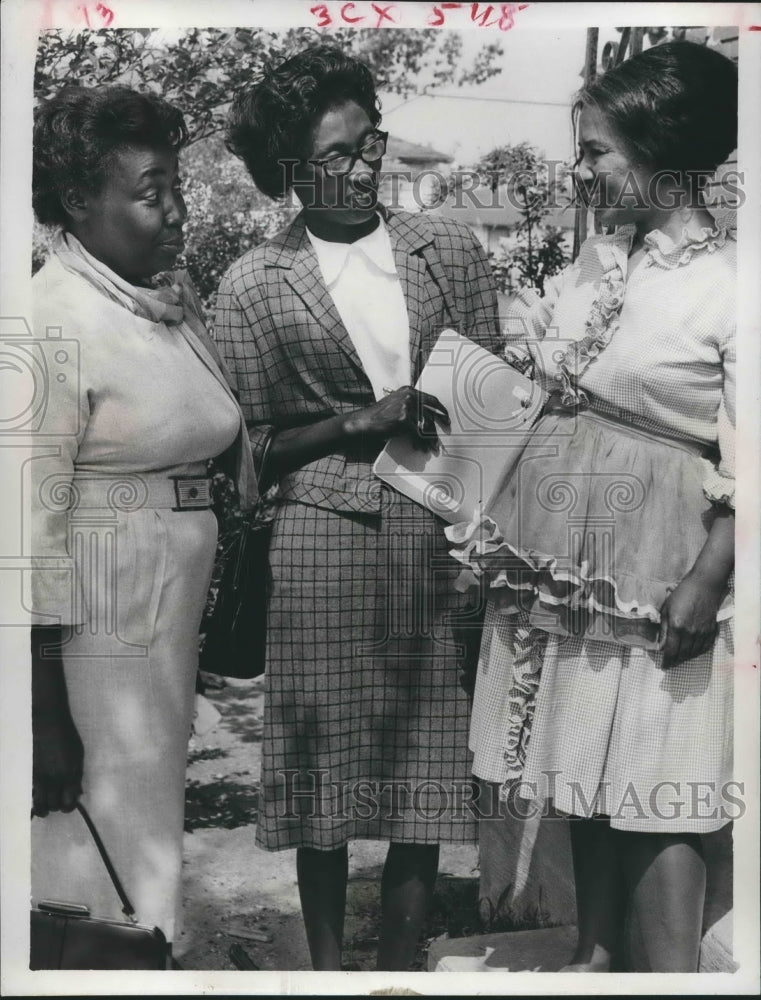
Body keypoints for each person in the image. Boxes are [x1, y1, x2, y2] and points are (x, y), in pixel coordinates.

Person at [446, 41, 737, 972]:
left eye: (599, 152)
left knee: (659, 782)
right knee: (589, 770)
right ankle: (598, 959)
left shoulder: (730, 286)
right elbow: (555, 378)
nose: (584, 171)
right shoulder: (600, 265)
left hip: (660, 569)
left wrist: (708, 574)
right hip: (566, 555)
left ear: (661, 153)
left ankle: (669, 978)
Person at [216, 45, 501, 971]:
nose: (362, 166)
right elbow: (250, 453)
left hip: (437, 531)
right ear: (286, 175)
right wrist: (358, 420)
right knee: (321, 773)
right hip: (319, 537)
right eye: (334, 156)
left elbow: (489, 402)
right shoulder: (255, 283)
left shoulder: (449, 250)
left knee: (423, 766)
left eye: (368, 142)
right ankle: (330, 976)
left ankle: (401, 971)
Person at [30, 85, 257, 965]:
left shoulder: (147, 303)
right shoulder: (49, 318)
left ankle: (134, 960)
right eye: (150, 191)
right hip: (90, 631)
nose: (176, 212)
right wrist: (43, 713)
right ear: (79, 201)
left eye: (178, 187)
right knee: (91, 824)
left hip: (152, 615)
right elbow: (21, 527)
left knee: (143, 818)